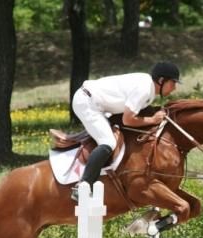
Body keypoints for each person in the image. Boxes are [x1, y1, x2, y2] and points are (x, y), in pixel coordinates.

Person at [71, 61, 181, 202]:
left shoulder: (148, 87)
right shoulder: (144, 89)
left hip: (99, 104)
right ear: (161, 80)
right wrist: (153, 120)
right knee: (108, 142)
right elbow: (128, 120)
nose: (174, 88)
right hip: (87, 103)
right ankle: (83, 185)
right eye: (173, 83)